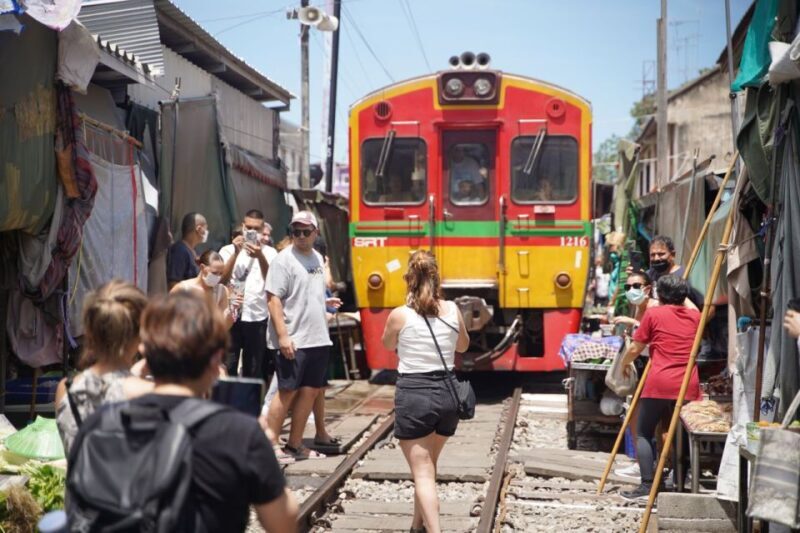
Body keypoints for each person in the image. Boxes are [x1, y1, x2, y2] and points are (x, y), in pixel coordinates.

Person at [69, 291, 297, 532]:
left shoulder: (101, 421)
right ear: (215, 360)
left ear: (145, 353)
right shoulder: (240, 433)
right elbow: (282, 524)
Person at [381, 250, 469, 533]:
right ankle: (416, 524)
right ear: (437, 278)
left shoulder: (399, 315)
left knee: (422, 473)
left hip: (415, 393)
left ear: (409, 279)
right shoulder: (453, 310)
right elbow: (463, 347)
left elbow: (387, 345)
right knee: (429, 468)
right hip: (447, 394)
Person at [264, 211, 341, 462]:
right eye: (295, 231)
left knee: (310, 390)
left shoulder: (317, 257)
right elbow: (273, 299)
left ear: (315, 233)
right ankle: (272, 442)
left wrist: (325, 301)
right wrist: (283, 336)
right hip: (294, 337)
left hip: (318, 336)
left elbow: (308, 291)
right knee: (286, 391)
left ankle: (295, 444)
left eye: (305, 231)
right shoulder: (283, 260)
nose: (300, 236)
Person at [618, 275, 701, 501]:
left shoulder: (654, 314)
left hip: (660, 381)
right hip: (687, 383)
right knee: (683, 434)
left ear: (660, 295)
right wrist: (682, 292)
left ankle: (647, 486)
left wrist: (623, 364)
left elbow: (636, 348)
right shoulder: (696, 316)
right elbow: (690, 304)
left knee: (644, 432)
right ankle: (681, 478)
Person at [55, 280, 153, 455]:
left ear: (89, 331)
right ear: (140, 335)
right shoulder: (149, 394)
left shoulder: (65, 389)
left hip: (80, 483)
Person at [220, 209, 278, 378]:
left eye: (257, 229)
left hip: (256, 316)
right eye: (249, 227)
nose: (252, 232)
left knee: (253, 368)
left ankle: (250, 404)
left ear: (262, 230)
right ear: (243, 227)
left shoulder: (270, 253)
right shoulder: (228, 250)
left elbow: (272, 282)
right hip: (231, 315)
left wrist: (260, 257)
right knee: (228, 364)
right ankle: (227, 403)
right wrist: (236, 253)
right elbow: (221, 279)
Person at [171, 250, 241, 328]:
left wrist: (232, 310)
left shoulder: (221, 291)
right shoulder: (183, 288)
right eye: (214, 273)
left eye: (221, 273)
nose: (218, 277)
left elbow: (224, 327)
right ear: (202, 267)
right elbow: (167, 317)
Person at [167, 212, 208, 289]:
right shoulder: (179, 251)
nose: (206, 232)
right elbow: (173, 284)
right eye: (206, 229)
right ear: (199, 229)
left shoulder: (194, 251)